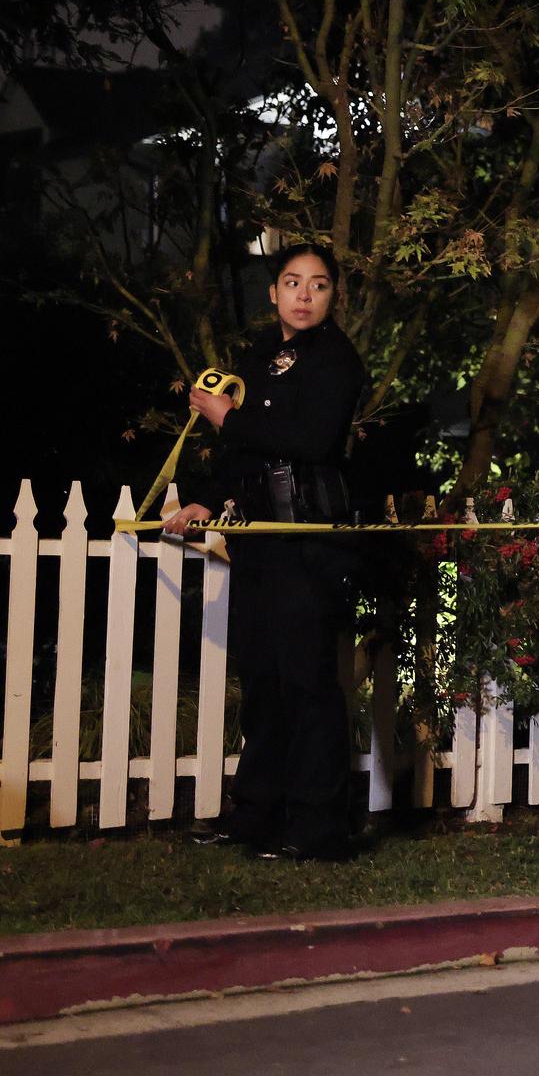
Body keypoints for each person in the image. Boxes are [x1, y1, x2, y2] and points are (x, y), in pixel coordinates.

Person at [163, 243, 370, 861]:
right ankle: (255, 815)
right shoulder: (261, 359)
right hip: (259, 540)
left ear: (333, 296)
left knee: (307, 683)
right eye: (292, 282)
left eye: (319, 285)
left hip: (309, 542)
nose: (304, 295)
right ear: (273, 294)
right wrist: (207, 498)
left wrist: (228, 417)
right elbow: (245, 453)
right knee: (262, 681)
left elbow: (310, 439)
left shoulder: (337, 360)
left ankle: (317, 829)